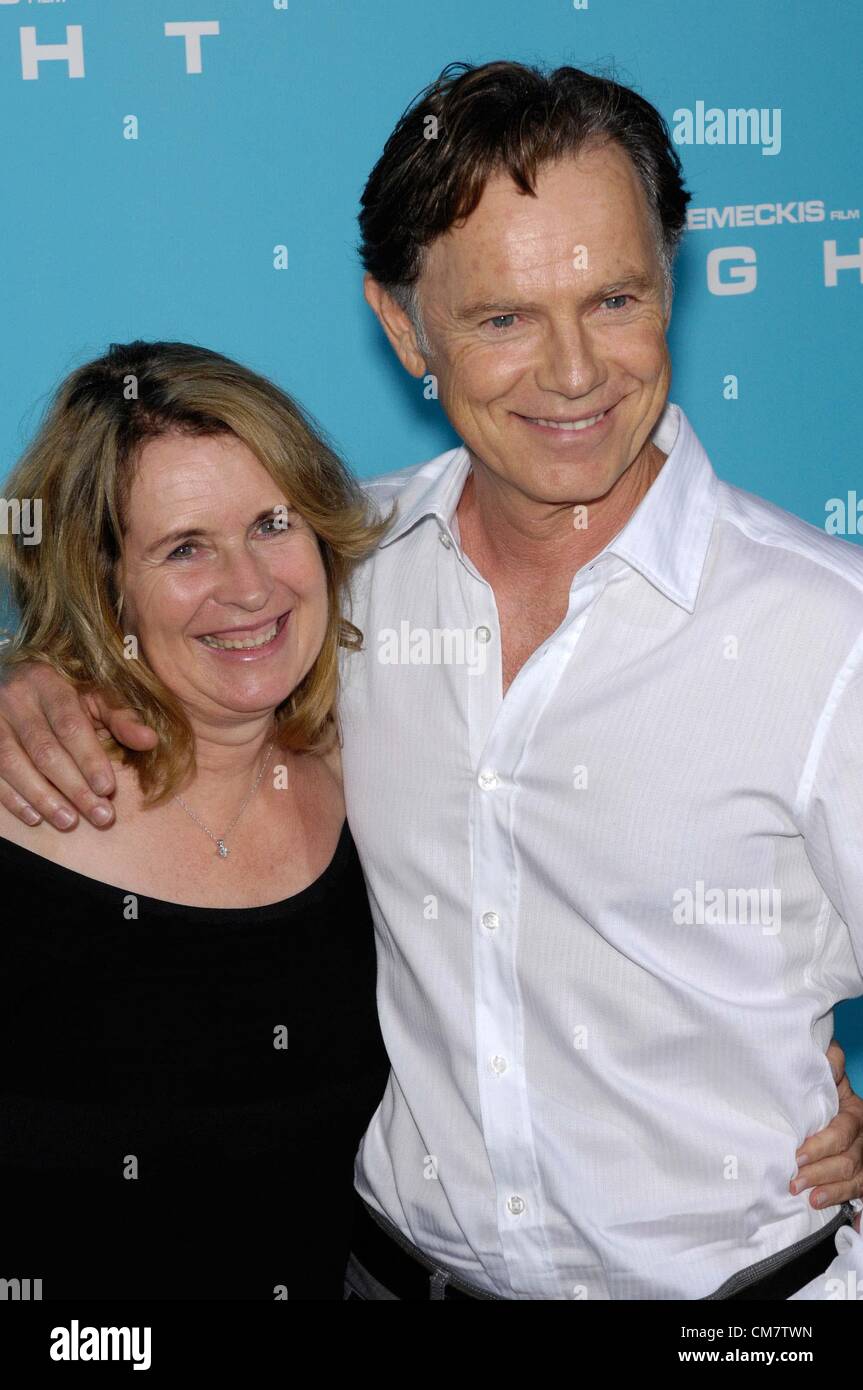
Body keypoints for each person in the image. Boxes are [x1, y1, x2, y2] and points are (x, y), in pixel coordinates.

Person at [2, 61, 863, 1300]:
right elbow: (159, 595)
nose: (572, 373)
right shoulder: (334, 570)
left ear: (671, 282)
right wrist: (26, 677)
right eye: (502, 317)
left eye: (613, 297)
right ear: (402, 326)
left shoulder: (826, 636)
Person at [0, 339, 392, 1300]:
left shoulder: (382, 772)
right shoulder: (16, 796)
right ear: (102, 583)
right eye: (184, 548)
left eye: (271, 523)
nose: (250, 587)